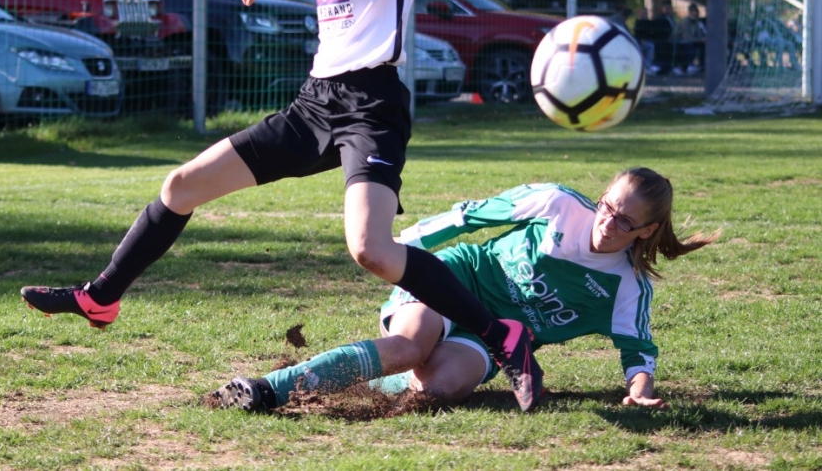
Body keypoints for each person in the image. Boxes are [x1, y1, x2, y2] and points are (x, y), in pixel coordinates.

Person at [20, 0, 546, 412]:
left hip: (370, 108)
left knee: (372, 250)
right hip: (313, 103)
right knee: (181, 184)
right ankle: (102, 296)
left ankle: (502, 336)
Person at [211, 167, 720, 413]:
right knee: (414, 345)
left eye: (625, 220)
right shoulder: (557, 203)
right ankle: (267, 389)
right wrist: (402, 248)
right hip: (455, 278)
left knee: (439, 387)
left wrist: (641, 395)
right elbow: (468, 217)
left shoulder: (627, 287)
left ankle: (370, 376)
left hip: (488, 336)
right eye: (607, 206)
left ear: (648, 231)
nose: (607, 223)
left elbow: (639, 353)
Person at [673, 3, 706, 75]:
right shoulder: (685, 22)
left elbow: (699, 34)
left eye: (697, 12)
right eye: (694, 11)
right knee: (690, 46)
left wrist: (702, 39)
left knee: (703, 46)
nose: (696, 13)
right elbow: (687, 37)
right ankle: (684, 67)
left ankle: (701, 65)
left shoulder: (697, 22)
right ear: (690, 12)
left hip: (692, 41)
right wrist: (700, 40)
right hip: (679, 41)